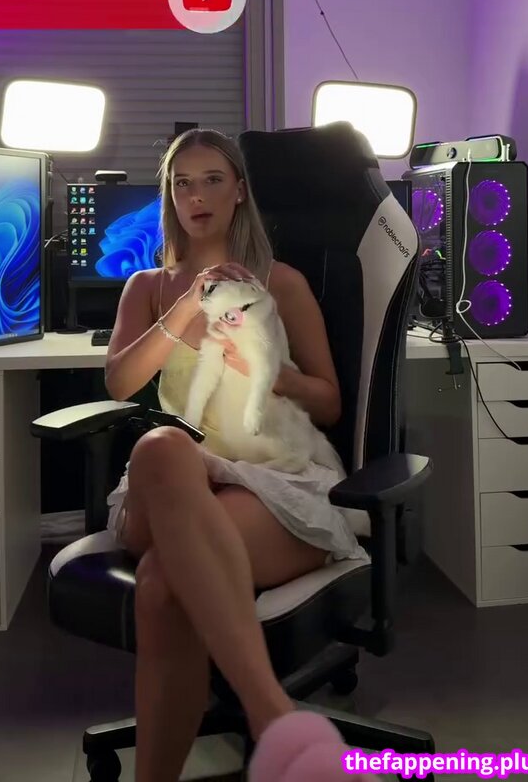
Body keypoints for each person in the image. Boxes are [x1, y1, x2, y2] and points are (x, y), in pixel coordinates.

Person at [104, 128, 368, 782]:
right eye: (183, 184)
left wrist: (268, 373)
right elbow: (121, 382)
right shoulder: (146, 287)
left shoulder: (283, 283)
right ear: (170, 197)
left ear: (240, 191)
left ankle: (199, 750)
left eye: (213, 180)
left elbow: (330, 402)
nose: (197, 196)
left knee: (164, 583)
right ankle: (272, 714)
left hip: (272, 479)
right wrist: (187, 306)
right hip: (180, 479)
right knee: (161, 446)